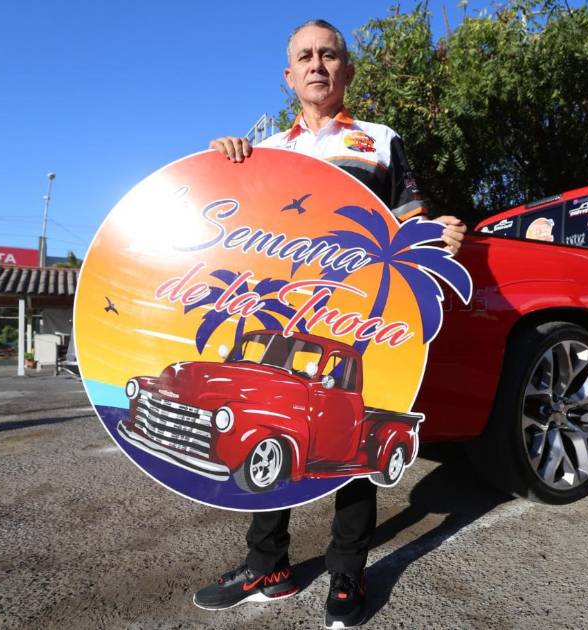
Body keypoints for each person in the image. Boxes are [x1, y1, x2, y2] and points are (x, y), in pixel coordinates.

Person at [192, 19, 466, 629]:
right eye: (305, 56)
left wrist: (439, 232)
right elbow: (231, 224)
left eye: (329, 54)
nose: (317, 64)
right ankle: (268, 567)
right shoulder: (264, 150)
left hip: (358, 312)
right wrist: (220, 162)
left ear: (347, 69)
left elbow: (409, 222)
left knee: (349, 440)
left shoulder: (380, 140)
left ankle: (348, 570)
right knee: (266, 427)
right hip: (282, 312)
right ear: (288, 76)